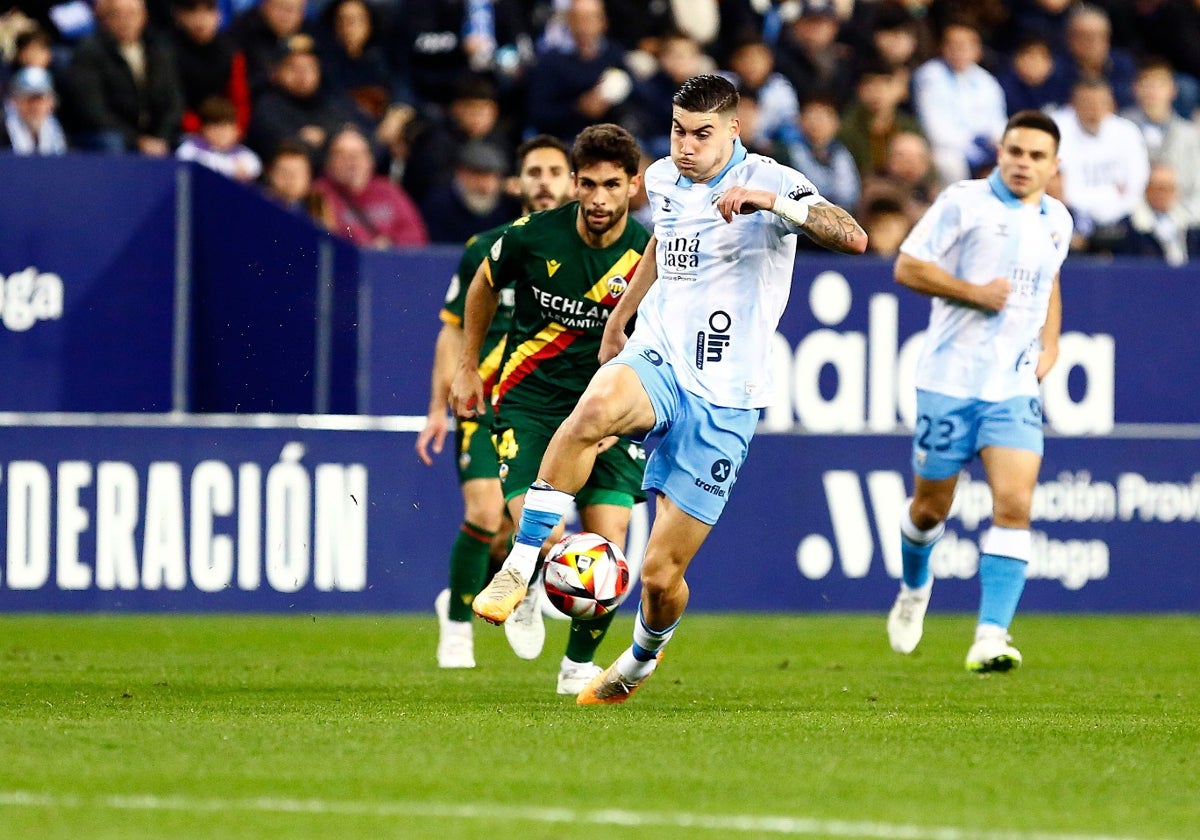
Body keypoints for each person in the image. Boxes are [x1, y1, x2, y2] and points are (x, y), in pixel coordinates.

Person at [467, 74, 867, 704]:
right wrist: (623, 313)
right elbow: (664, 239)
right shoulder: (660, 178)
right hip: (661, 358)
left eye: (702, 134)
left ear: (733, 129)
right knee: (593, 408)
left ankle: (642, 656)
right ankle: (518, 566)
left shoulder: (772, 178)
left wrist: (770, 203)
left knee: (660, 575)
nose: (686, 146)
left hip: (728, 395)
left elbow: (851, 235)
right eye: (679, 130)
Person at [449, 123, 653, 695]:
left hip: (611, 408)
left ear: (633, 186)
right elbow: (483, 284)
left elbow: (661, 342)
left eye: (612, 186)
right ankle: (528, 578)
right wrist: (469, 366)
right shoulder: (534, 235)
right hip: (532, 405)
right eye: (587, 185)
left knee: (608, 547)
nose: (598, 199)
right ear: (574, 183)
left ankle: (576, 667)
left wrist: (628, 414)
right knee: (542, 531)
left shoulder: (647, 255)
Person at [885, 109, 1074, 673]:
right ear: (1001, 151)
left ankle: (991, 635)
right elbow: (907, 267)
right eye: (1016, 152)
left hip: (1012, 388)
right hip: (948, 383)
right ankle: (915, 587)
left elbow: (1048, 279)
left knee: (1015, 504)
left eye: (1037, 156)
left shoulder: (1057, 220)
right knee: (929, 508)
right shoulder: (963, 202)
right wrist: (972, 292)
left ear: (1053, 165)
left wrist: (1052, 342)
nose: (1024, 164)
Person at [417, 134, 574, 672]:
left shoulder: (583, 254)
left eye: (555, 170)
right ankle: (457, 624)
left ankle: (524, 585)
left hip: (542, 406)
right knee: (485, 512)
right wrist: (439, 405)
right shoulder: (486, 246)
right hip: (486, 401)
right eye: (534, 171)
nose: (545, 181)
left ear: (570, 180)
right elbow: (451, 331)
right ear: (518, 182)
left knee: (537, 528)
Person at [62, 0, 182, 155]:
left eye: (131, 14)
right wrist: (137, 140)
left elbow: (174, 101)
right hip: (109, 134)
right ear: (104, 18)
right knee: (111, 141)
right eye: (116, 14)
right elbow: (93, 110)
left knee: (187, 144)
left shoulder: (159, 50)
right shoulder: (89, 51)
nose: (125, 21)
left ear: (144, 17)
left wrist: (161, 137)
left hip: (155, 136)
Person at [313, 124, 429, 248]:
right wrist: (367, 246)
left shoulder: (389, 189)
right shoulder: (318, 194)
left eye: (358, 155)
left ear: (370, 160)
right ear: (329, 161)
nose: (352, 162)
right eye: (342, 155)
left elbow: (416, 235)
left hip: (390, 262)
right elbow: (326, 241)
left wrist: (391, 245)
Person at [176, 95, 262, 182]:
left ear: (236, 131)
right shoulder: (190, 148)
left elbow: (253, 169)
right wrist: (232, 169)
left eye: (225, 127)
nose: (220, 133)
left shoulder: (245, 155)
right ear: (203, 129)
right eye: (215, 127)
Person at [1, 66, 68, 155]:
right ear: (14, 102)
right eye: (28, 100)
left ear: (51, 102)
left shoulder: (60, 134)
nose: (35, 107)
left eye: (41, 100)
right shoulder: (3, 133)